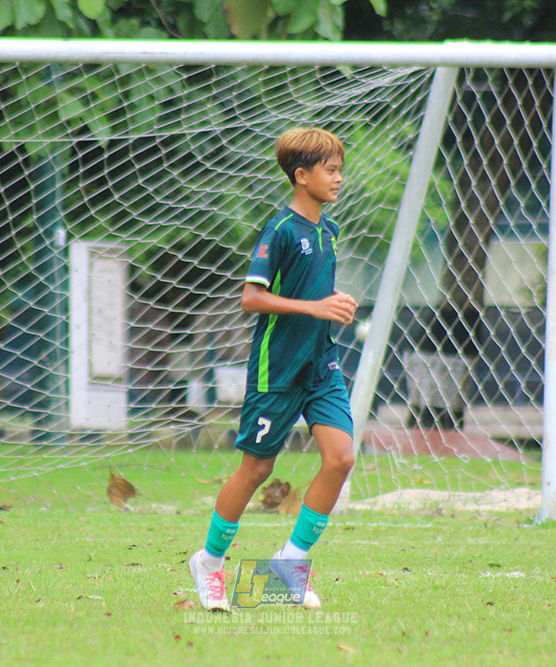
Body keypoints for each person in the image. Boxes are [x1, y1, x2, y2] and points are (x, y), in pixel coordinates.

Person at [188, 127, 358, 612]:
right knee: (257, 469)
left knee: (340, 459)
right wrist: (314, 308)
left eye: (340, 169)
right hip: (276, 369)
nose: (338, 178)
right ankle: (211, 562)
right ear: (301, 176)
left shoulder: (330, 230)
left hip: (320, 367)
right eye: (330, 170)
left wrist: (335, 306)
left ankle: (290, 563)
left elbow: (317, 296)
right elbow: (251, 297)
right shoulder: (280, 231)